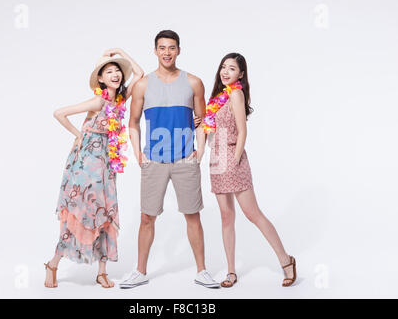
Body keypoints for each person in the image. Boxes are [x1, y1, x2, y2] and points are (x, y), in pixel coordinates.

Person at [120, 30, 220, 289]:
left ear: (178, 50)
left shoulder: (194, 82)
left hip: (186, 159)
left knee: (193, 215)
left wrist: (200, 151)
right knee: (146, 217)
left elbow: (203, 120)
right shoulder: (143, 85)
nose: (167, 52)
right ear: (155, 51)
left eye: (171, 47)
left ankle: (202, 271)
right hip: (153, 159)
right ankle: (140, 271)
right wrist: (137, 153)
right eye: (162, 47)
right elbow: (132, 122)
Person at [44, 48, 144, 288]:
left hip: (106, 163)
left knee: (106, 210)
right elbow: (59, 113)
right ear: (100, 78)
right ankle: (53, 263)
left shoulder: (119, 100)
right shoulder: (99, 100)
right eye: (109, 71)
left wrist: (121, 53)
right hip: (86, 163)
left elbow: (139, 74)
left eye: (117, 71)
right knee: (82, 211)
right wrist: (79, 134)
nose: (116, 74)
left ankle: (101, 272)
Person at [196, 52, 297, 288]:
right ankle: (231, 272)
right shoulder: (217, 98)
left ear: (240, 74)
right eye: (223, 67)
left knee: (252, 214)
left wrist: (236, 158)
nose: (225, 72)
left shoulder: (236, 94)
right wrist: (200, 125)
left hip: (232, 156)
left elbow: (242, 131)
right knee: (226, 216)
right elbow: (211, 130)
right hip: (216, 158)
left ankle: (286, 260)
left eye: (231, 68)